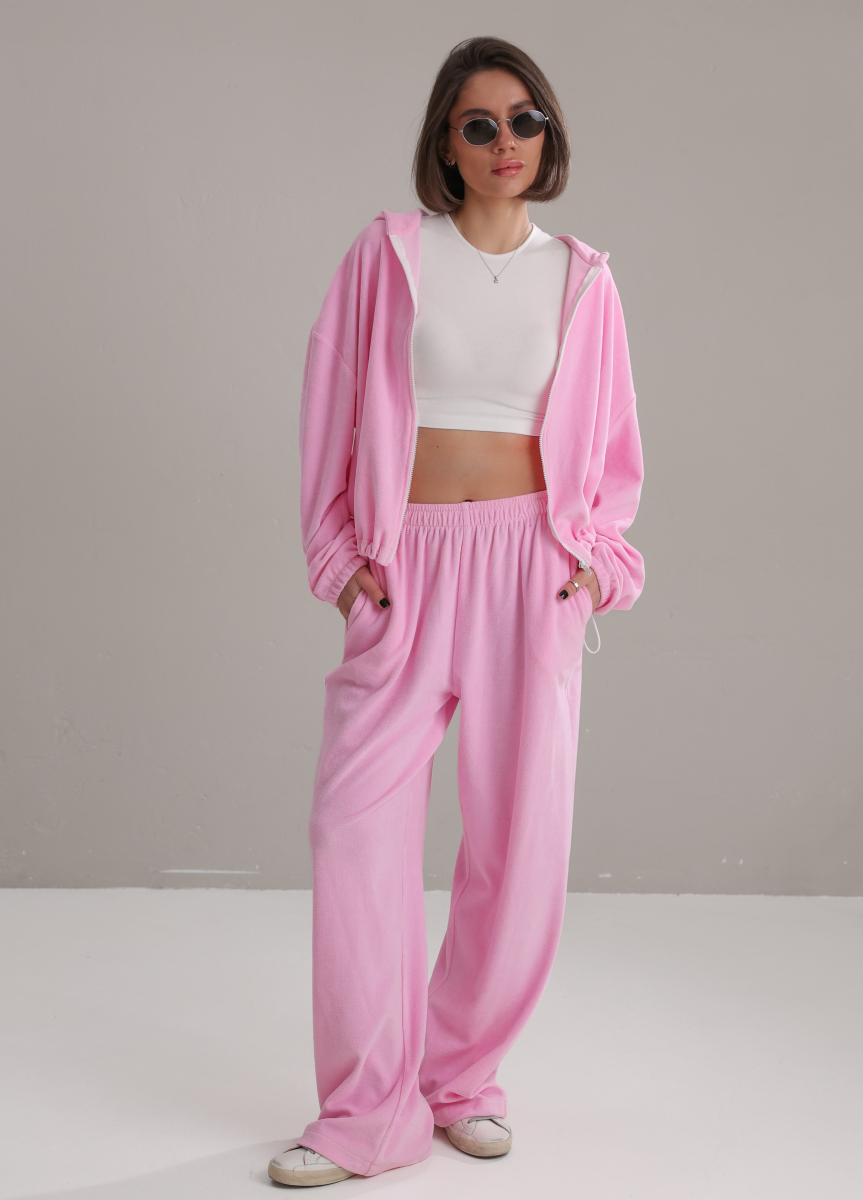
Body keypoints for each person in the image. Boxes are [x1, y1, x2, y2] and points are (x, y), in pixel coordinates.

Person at [268, 35, 644, 1188]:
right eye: (479, 124)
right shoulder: (390, 255)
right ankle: (364, 1113)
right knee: (354, 831)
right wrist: (339, 556)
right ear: (446, 140)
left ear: (549, 134)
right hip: (408, 565)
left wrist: (593, 564)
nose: (505, 142)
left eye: (525, 120)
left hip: (529, 570)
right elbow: (330, 399)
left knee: (518, 846)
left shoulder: (582, 276)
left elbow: (611, 444)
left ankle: (461, 1078)